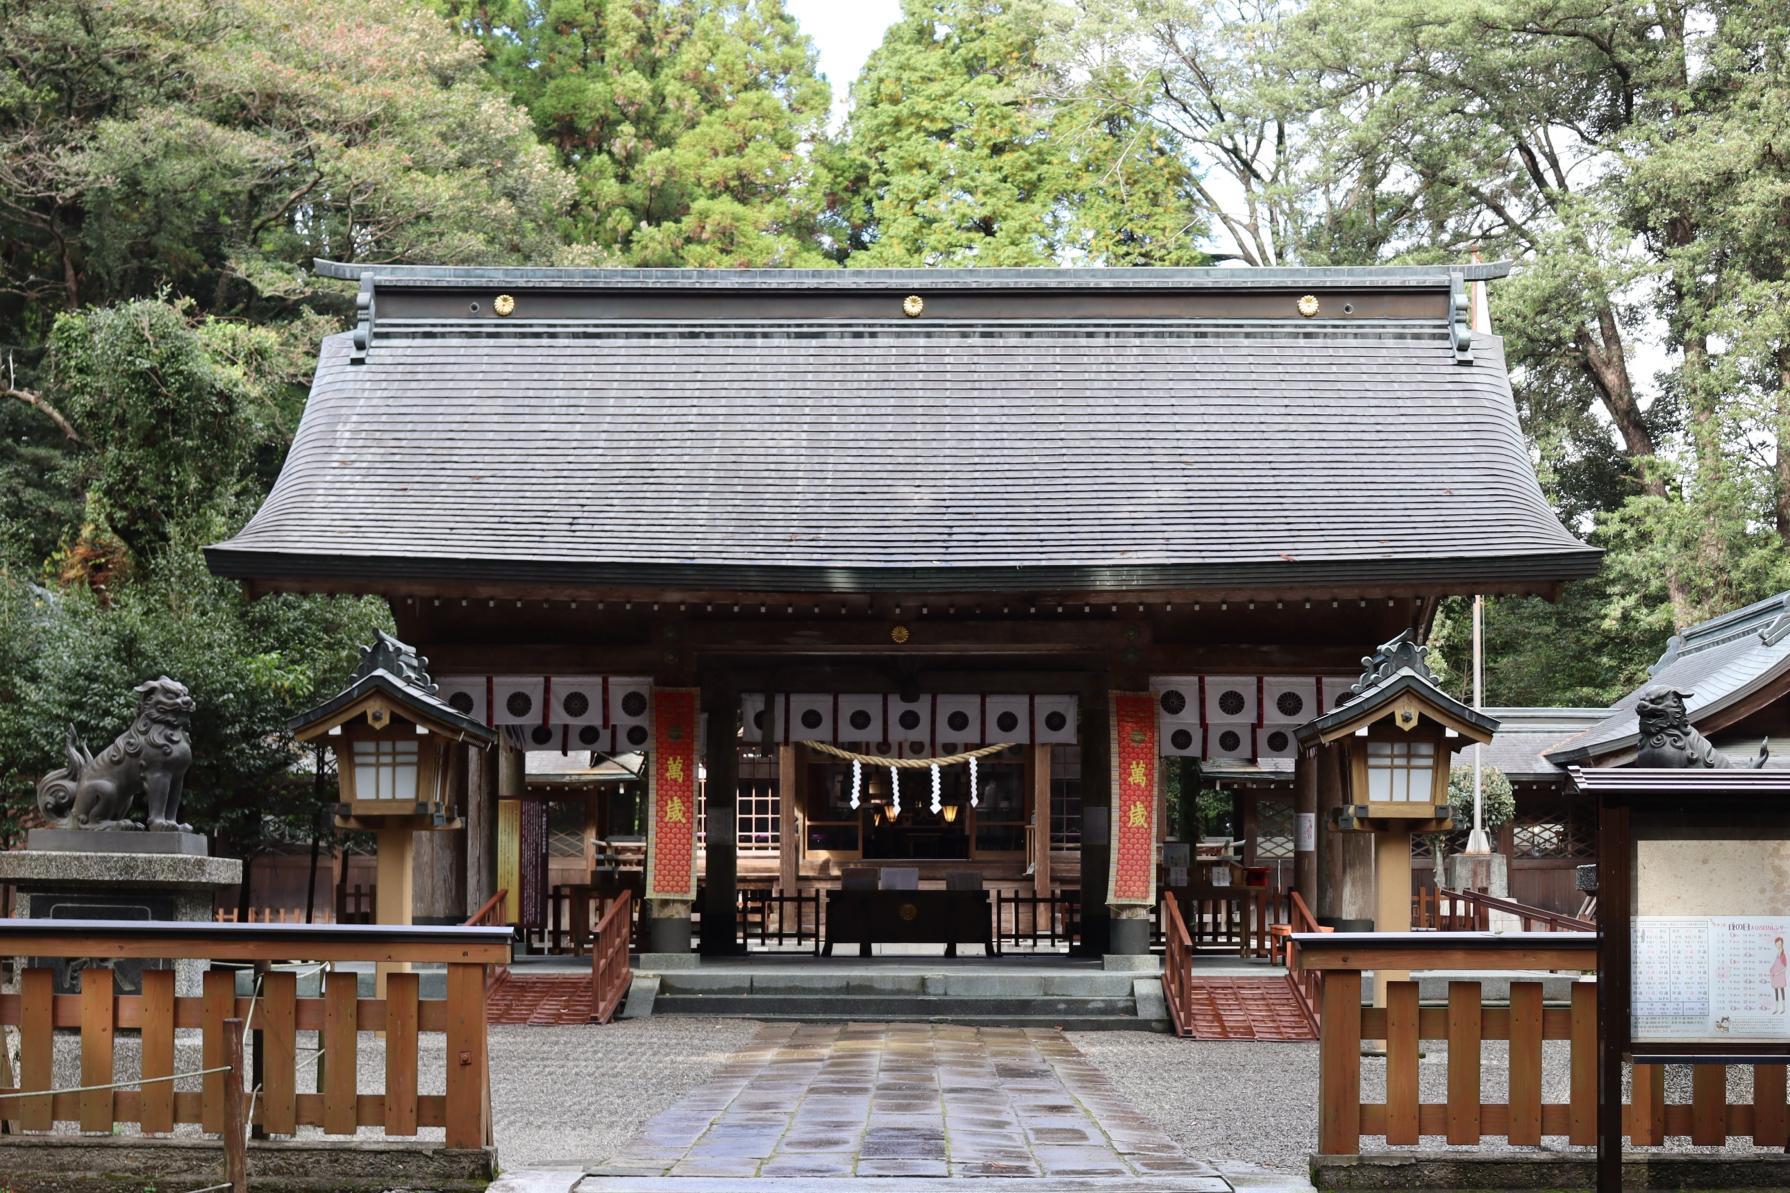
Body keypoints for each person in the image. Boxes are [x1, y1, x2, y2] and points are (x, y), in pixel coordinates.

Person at [1773, 936, 1787, 1015]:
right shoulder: (1777, 954)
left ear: (1782, 944)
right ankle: (1776, 1008)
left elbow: (1785, 967)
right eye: (1777, 944)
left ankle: (1783, 1008)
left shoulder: (1783, 955)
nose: (1778, 945)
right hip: (1775, 976)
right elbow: (1775, 964)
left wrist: (1778, 973)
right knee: (1776, 991)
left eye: (1779, 944)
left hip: (1780, 976)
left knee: (1782, 991)